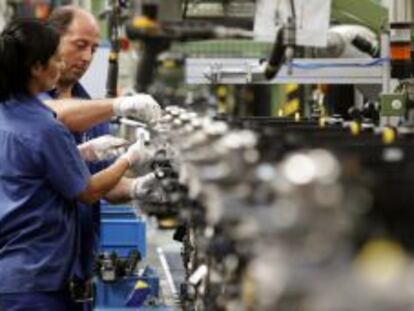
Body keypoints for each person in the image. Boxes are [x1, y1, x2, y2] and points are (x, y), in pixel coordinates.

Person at [0, 18, 150, 310]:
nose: (62, 65)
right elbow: (89, 191)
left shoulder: (6, 114)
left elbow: (26, 169)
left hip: (12, 274)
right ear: (36, 67)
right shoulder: (44, 125)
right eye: (57, 58)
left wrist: (82, 154)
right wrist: (129, 158)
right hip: (38, 279)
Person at [45, 5, 163, 310]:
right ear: (51, 40)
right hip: (35, 274)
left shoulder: (93, 110)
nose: (86, 58)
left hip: (79, 277)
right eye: (79, 45)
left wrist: (139, 187)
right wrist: (120, 104)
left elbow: (102, 185)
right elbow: (53, 116)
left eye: (94, 49)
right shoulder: (26, 104)